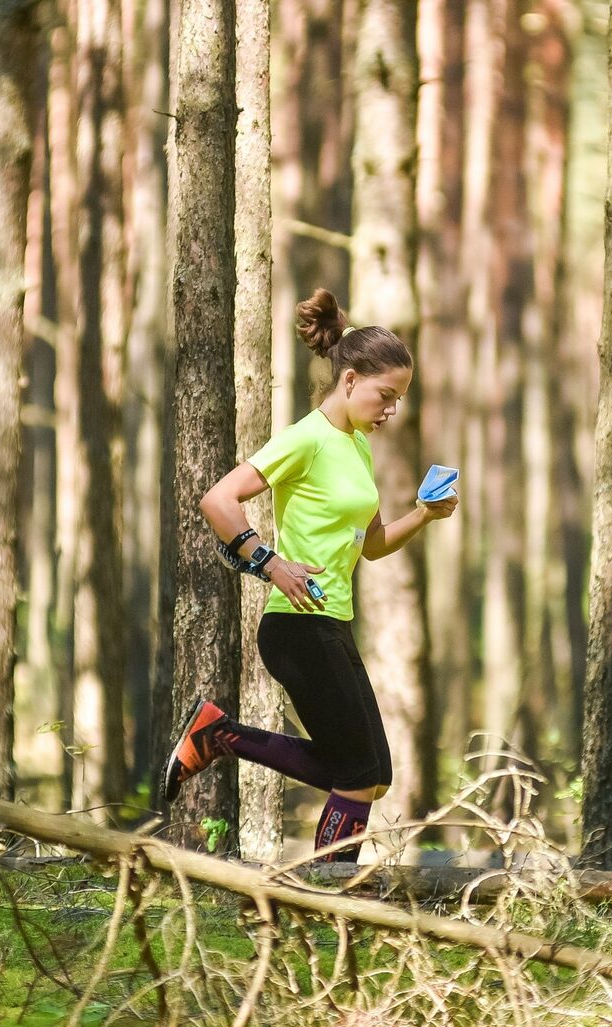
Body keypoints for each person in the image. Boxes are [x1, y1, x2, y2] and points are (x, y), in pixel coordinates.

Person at [162, 288, 458, 863]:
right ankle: (329, 899)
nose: (392, 411)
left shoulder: (356, 447)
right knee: (355, 773)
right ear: (349, 380)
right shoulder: (308, 438)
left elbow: (371, 546)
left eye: (399, 399)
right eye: (385, 396)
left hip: (332, 624)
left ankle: (219, 736)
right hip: (298, 629)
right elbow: (218, 499)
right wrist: (268, 560)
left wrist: (423, 513)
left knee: (375, 775)